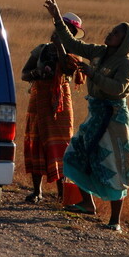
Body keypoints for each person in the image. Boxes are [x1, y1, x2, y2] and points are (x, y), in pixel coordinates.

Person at [43, 0, 129, 232]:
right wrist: (57, 16)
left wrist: (93, 74)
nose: (110, 34)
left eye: (116, 34)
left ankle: (115, 220)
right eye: (112, 31)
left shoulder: (126, 63)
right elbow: (71, 43)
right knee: (76, 154)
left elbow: (118, 89)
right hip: (96, 113)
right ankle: (87, 204)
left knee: (114, 165)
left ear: (125, 41)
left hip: (114, 118)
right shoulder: (98, 51)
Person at [21, 12, 86, 203]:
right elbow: (25, 74)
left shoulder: (74, 55)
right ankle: (37, 191)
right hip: (39, 98)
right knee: (37, 141)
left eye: (68, 31)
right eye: (62, 29)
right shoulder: (41, 50)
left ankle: (62, 193)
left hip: (60, 103)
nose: (63, 34)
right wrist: (38, 73)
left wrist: (59, 47)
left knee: (61, 145)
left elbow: (67, 70)